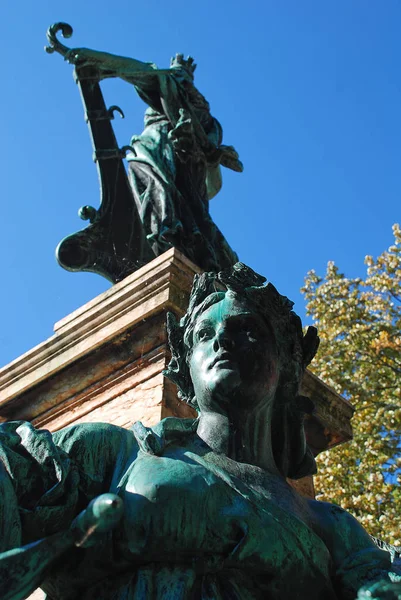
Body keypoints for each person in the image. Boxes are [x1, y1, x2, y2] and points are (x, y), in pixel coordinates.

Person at [0, 263, 400, 599]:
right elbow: (15, 469)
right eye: (203, 335)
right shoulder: (116, 452)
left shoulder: (332, 524)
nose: (222, 339)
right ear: (186, 368)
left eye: (246, 329)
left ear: (287, 365)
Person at [64, 47, 242, 271]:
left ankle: (184, 251)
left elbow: (212, 181)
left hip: (189, 171)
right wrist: (96, 59)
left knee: (195, 221)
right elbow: (136, 70)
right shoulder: (168, 86)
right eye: (178, 75)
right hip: (155, 150)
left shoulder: (208, 122)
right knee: (160, 199)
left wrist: (216, 156)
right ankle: (164, 242)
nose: (181, 80)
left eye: (184, 77)